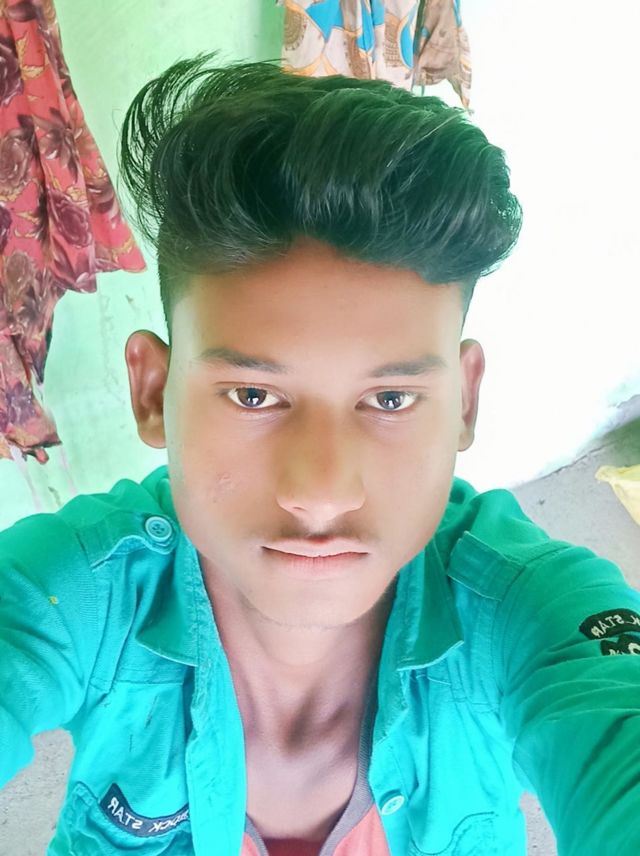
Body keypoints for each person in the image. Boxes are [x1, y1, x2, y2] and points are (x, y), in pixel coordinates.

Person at [1, 51, 639, 856]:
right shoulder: (74, 590)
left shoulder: (529, 610)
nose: (322, 492)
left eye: (391, 400)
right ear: (154, 392)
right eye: (253, 395)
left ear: (464, 401)